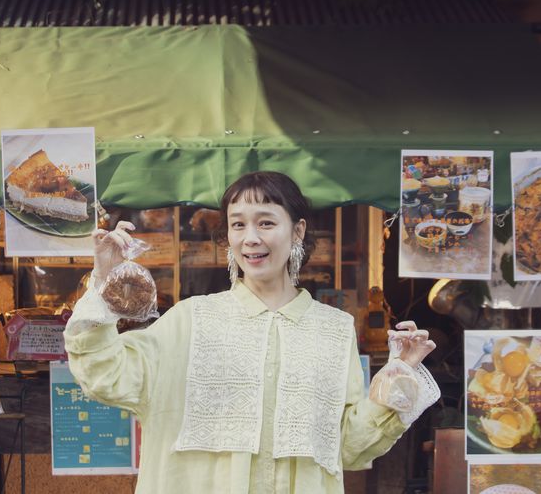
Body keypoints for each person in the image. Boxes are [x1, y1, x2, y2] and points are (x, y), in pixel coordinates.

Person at [64, 171, 440, 493]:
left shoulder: (333, 330)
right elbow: (105, 374)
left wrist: (400, 374)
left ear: (298, 230)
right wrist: (105, 283)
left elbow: (347, 448)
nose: (250, 238)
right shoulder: (189, 320)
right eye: (238, 224)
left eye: (266, 222)